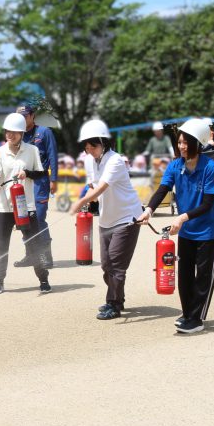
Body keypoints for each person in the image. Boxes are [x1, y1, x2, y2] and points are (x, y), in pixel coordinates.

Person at [137, 118, 214, 334]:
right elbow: (163, 189)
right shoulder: (175, 165)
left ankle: (197, 319)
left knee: (203, 276)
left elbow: (208, 204)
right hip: (187, 230)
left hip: (208, 230)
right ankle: (187, 314)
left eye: (186, 142)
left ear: (198, 143)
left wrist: (181, 218)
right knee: (184, 274)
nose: (182, 146)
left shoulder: (210, 167)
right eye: (180, 142)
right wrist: (148, 210)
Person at [69, 119, 145, 320]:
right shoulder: (89, 160)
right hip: (106, 218)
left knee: (116, 264)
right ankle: (117, 298)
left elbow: (102, 187)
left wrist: (80, 201)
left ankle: (114, 304)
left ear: (103, 143)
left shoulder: (115, 161)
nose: (89, 151)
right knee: (106, 265)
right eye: (86, 147)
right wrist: (88, 198)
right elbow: (93, 186)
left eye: (93, 146)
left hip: (127, 217)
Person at [0, 112, 51, 295]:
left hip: (26, 206)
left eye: (14, 132)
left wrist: (27, 173)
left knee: (34, 243)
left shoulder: (32, 150)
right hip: (4, 206)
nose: (10, 135)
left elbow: (41, 173)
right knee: (0, 244)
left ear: (22, 133)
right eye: (7, 131)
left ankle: (43, 279)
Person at [17, 102, 59, 274]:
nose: (22, 119)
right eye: (19, 117)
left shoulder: (44, 132)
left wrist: (54, 179)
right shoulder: (17, 134)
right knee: (23, 219)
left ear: (32, 116)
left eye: (25, 116)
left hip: (40, 182)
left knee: (39, 218)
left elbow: (53, 155)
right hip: (21, 183)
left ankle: (46, 256)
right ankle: (30, 255)